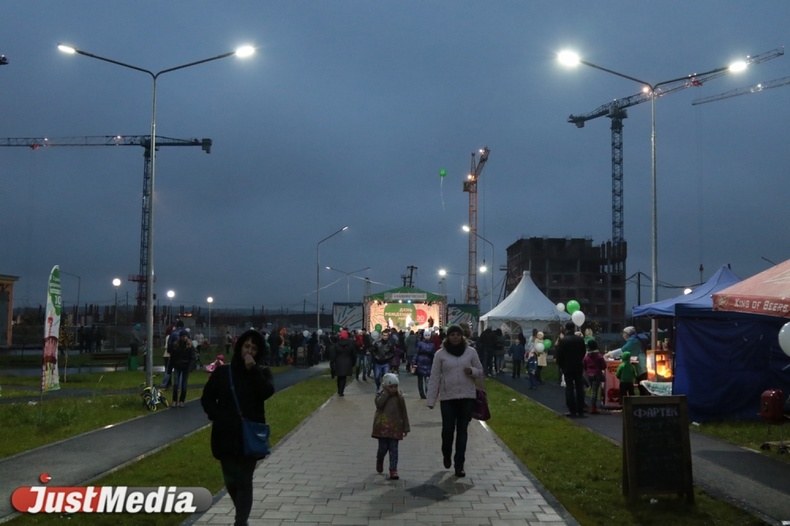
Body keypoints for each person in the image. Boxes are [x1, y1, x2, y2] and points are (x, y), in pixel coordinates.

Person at [201, 329, 275, 526]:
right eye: (246, 346)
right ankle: (241, 516)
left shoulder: (261, 372)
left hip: (248, 435)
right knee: (231, 481)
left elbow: (267, 392)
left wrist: (253, 370)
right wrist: (218, 415)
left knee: (244, 480)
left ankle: (240, 521)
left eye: (254, 348)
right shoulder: (223, 373)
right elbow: (207, 398)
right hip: (225, 434)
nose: (249, 351)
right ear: (240, 347)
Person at [425, 324, 484, 478]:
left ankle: (459, 465)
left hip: (467, 397)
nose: (455, 337)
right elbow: (435, 377)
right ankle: (446, 453)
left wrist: (472, 371)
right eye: (452, 335)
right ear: (448, 337)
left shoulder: (470, 352)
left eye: (458, 334)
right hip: (448, 398)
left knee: (462, 431)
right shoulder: (440, 354)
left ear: (462, 336)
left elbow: (480, 371)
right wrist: (431, 399)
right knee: (447, 430)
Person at [371, 373, 410, 480]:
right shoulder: (381, 395)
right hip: (382, 428)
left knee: (394, 449)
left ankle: (393, 469)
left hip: (395, 428)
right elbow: (379, 404)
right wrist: (386, 393)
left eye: (395, 386)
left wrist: (406, 427)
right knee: (383, 448)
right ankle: (380, 459)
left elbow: (404, 412)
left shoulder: (399, 397)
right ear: (385, 386)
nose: (394, 389)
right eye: (391, 387)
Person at [555, 321, 587, 418]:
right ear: (574, 328)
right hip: (578, 366)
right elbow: (583, 352)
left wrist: (561, 365)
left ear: (566, 329)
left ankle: (572, 410)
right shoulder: (580, 340)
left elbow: (559, 354)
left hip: (567, 366)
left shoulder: (564, 340)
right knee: (579, 388)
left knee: (569, 388)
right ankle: (580, 410)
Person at [170, 330, 194, 407]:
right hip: (177, 366)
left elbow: (192, 357)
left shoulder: (189, 346)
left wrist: (190, 367)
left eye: (185, 336)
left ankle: (181, 400)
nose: (184, 338)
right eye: (182, 336)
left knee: (184, 384)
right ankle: (174, 400)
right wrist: (170, 367)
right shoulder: (176, 345)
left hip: (186, 367)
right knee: (176, 384)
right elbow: (172, 357)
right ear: (180, 337)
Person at [582, 340, 606, 414]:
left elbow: (584, 365)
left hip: (589, 375)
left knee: (592, 389)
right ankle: (593, 407)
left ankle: (589, 405)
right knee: (594, 391)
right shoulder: (599, 356)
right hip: (596, 374)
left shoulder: (586, 357)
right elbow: (604, 366)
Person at [330, 329, 356, 396]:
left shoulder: (336, 345)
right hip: (347, 362)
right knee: (344, 378)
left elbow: (333, 355)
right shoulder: (350, 344)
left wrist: (332, 363)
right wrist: (353, 363)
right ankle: (341, 391)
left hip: (338, 362)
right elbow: (354, 355)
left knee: (339, 377)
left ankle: (339, 389)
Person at [371, 329, 396, 393]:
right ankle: (378, 386)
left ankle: (385, 389)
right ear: (382, 335)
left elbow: (393, 353)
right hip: (378, 362)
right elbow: (373, 351)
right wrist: (376, 357)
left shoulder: (390, 344)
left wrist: (387, 357)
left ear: (388, 336)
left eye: (386, 335)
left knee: (386, 377)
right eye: (384, 335)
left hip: (386, 363)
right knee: (377, 376)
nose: (385, 337)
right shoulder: (377, 343)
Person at [413, 330, 435, 399]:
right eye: (426, 335)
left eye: (428, 335)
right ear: (423, 336)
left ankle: (427, 392)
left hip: (428, 363)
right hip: (420, 363)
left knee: (427, 379)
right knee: (420, 379)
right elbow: (416, 353)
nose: (427, 337)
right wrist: (414, 362)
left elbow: (433, 355)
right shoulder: (420, 343)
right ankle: (422, 393)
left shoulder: (432, 344)